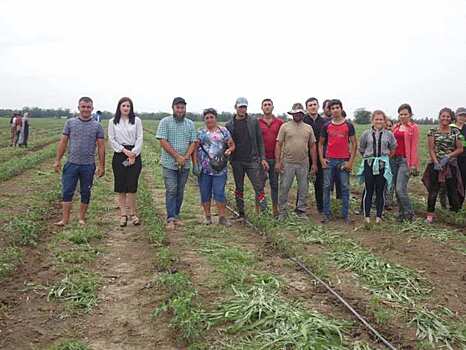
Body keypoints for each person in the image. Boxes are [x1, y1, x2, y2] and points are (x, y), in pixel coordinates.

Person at [53, 97, 105, 226]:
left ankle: (81, 218)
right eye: (83, 107)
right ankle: (65, 220)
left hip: (88, 165)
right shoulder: (70, 123)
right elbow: (63, 142)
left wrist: (102, 165)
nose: (86, 109)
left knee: (85, 191)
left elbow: (101, 146)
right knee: (67, 191)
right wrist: (57, 160)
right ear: (79, 108)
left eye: (88, 107)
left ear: (92, 109)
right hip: (71, 163)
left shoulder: (97, 126)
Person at [156, 97, 197, 231]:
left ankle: (176, 215)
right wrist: (177, 156)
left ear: (185, 109)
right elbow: (163, 141)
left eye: (182, 108)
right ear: (173, 108)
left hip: (184, 164)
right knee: (172, 189)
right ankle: (170, 218)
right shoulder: (165, 122)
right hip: (169, 163)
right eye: (178, 107)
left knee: (180, 191)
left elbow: (193, 142)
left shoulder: (190, 124)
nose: (180, 110)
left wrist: (184, 157)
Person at [226, 97, 269, 219]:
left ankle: (265, 213)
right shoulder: (229, 124)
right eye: (240, 107)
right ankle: (241, 213)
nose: (242, 109)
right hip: (236, 161)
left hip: (252, 160)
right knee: (239, 187)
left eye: (244, 107)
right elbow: (227, 142)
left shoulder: (253, 122)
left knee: (259, 186)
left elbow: (260, 140)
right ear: (236, 107)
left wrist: (262, 158)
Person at [276, 103, 317, 220]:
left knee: (303, 188)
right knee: (284, 187)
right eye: (295, 113)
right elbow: (278, 144)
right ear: (292, 114)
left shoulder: (308, 128)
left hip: (303, 162)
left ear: (302, 114)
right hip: (287, 162)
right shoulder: (285, 127)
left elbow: (313, 146)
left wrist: (314, 164)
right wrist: (278, 162)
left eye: (299, 113)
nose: (297, 115)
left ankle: (301, 210)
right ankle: (282, 212)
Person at [422, 108, 464, 223]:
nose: (445, 118)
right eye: (443, 116)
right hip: (435, 165)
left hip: (450, 165)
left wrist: (448, 157)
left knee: (452, 189)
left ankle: (454, 214)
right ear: (439, 117)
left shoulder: (455, 132)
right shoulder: (432, 131)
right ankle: (430, 214)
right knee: (433, 190)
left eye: (448, 116)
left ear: (451, 118)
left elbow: (460, 149)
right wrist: (436, 162)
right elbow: (431, 149)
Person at [195, 108, 235, 226]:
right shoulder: (200, 132)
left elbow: (232, 145)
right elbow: (195, 149)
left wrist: (229, 150)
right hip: (204, 169)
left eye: (211, 117)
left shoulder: (223, 131)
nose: (209, 119)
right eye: (207, 118)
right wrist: (195, 164)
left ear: (216, 118)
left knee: (219, 192)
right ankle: (208, 216)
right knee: (205, 192)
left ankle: (222, 217)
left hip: (219, 169)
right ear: (204, 120)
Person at [319, 99, 357, 224]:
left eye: (337, 107)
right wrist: (322, 159)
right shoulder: (326, 126)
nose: (335, 110)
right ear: (329, 111)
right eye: (332, 108)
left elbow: (354, 143)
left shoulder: (348, 125)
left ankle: (345, 214)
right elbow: (320, 144)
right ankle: (326, 214)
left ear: (341, 109)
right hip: (329, 161)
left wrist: (350, 162)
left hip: (343, 161)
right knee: (326, 187)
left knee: (345, 187)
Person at [108, 97, 143, 227]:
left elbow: (140, 138)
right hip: (120, 155)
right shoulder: (113, 122)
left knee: (132, 186)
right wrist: (124, 151)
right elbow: (112, 139)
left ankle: (133, 214)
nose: (126, 108)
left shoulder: (137, 121)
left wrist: (133, 153)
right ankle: (123, 215)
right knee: (121, 186)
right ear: (119, 107)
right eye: (124, 106)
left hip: (134, 154)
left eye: (128, 106)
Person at [356, 111, 397, 224]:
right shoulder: (366, 133)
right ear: (372, 120)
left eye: (381, 119)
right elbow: (361, 148)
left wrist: (386, 158)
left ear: (384, 121)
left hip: (382, 164)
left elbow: (393, 148)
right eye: (376, 119)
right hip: (369, 164)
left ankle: (379, 216)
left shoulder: (389, 135)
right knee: (369, 189)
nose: (379, 121)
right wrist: (369, 157)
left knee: (380, 191)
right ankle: (367, 216)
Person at [391, 104, 419, 222]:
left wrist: (413, 164)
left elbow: (414, 147)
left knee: (400, 189)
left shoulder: (413, 128)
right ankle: (401, 214)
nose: (403, 116)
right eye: (401, 114)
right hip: (394, 160)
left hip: (405, 161)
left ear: (410, 115)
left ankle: (410, 214)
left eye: (405, 114)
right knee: (396, 189)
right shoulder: (395, 127)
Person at [258, 98, 283, 217]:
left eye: (269, 105)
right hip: (261, 159)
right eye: (265, 105)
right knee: (260, 185)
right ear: (262, 108)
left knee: (274, 185)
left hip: (275, 158)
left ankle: (275, 210)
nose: (267, 107)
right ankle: (259, 210)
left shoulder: (279, 123)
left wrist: (280, 160)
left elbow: (282, 141)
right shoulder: (257, 123)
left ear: (272, 107)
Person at [303, 97, 326, 214]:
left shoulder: (324, 122)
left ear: (318, 106)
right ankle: (300, 207)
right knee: (303, 183)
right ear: (306, 108)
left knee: (320, 183)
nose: (312, 107)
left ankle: (321, 208)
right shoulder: (302, 121)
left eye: (314, 104)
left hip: (320, 156)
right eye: (310, 105)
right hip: (305, 156)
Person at [452, 107, 466, 207]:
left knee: (463, 181)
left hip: (464, 158)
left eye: (464, 116)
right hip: (453, 157)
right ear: (456, 116)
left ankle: (459, 204)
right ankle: (452, 204)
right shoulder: (451, 128)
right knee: (453, 180)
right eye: (460, 115)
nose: (462, 117)